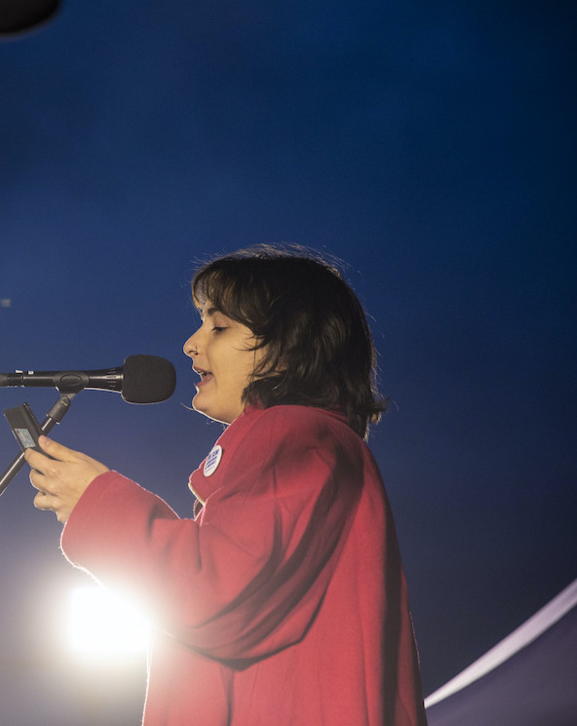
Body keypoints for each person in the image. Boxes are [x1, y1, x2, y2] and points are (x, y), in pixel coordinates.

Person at [25, 245, 426, 725]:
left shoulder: (294, 432)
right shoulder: (325, 443)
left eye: (219, 326)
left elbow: (218, 591)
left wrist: (98, 505)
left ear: (287, 346)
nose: (192, 345)